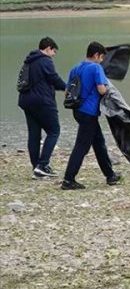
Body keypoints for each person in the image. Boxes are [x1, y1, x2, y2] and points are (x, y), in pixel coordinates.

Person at [61, 42, 122, 190]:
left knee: (99, 142)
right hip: (89, 112)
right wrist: (110, 89)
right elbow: (102, 90)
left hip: (78, 111)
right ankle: (68, 180)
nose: (101, 60)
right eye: (101, 57)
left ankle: (110, 175)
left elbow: (66, 92)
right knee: (82, 146)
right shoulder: (96, 68)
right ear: (96, 55)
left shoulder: (75, 68)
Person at [18, 37, 67, 178]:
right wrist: (67, 88)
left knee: (34, 134)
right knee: (54, 131)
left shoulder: (29, 60)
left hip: (26, 101)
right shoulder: (45, 60)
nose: (53, 55)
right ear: (48, 48)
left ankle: (36, 168)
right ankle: (42, 164)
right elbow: (53, 78)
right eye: (53, 52)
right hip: (42, 101)